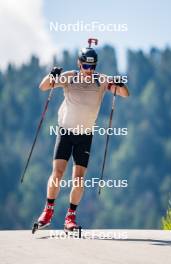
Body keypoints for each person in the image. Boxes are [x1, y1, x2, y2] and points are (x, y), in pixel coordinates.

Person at [37, 43, 129, 231]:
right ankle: (48, 211)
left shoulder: (101, 80)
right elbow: (44, 86)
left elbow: (124, 94)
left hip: (85, 135)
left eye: (92, 66)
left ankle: (70, 217)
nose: (89, 70)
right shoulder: (70, 77)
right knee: (57, 174)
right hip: (65, 132)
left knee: (78, 179)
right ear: (79, 63)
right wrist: (51, 75)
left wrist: (120, 82)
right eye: (86, 66)